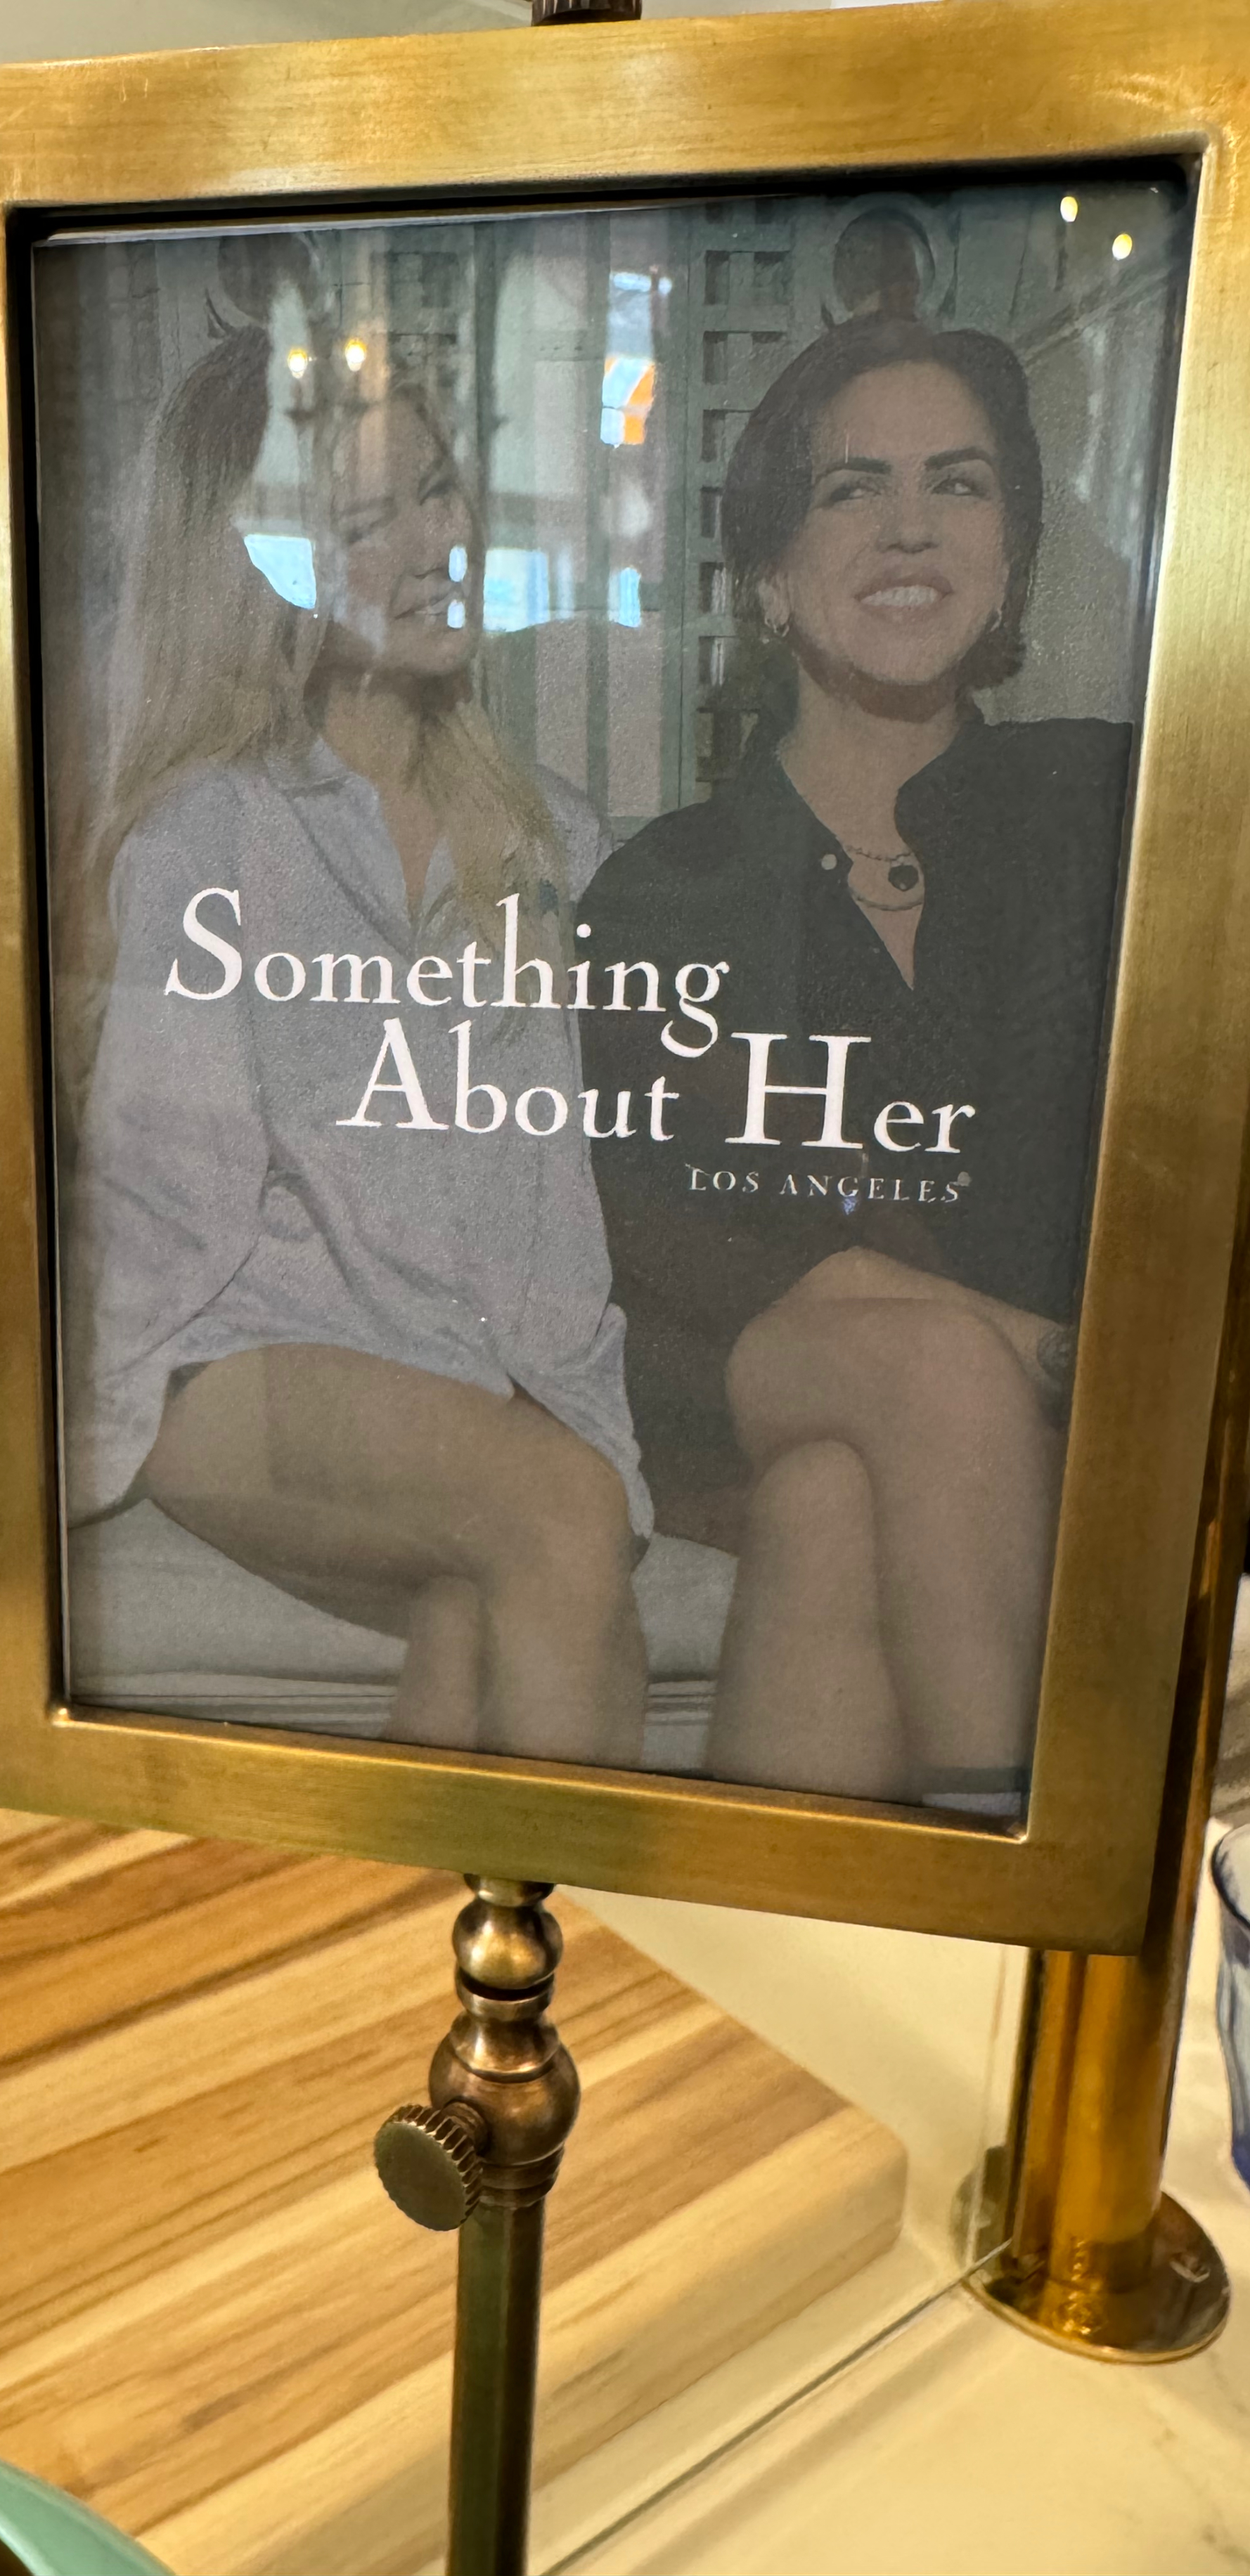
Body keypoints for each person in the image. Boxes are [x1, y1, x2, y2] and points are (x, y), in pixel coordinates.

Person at [63, 323, 650, 1764]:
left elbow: (547, 1177)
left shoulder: (548, 839)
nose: (436, 543)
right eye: (362, 520)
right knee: (557, 1512)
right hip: (229, 1356)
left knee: (485, 1594)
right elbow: (165, 1199)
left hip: (455, 1357)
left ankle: (455, 1907)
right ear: (254, 564)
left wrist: (565, 1394)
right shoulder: (207, 832)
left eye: (437, 492)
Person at [579, 314, 1131, 1811]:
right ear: (768, 575)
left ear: (1011, 552)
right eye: (850, 488)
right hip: (741, 1362)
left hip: (966, 1415)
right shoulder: (668, 887)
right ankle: (1042, 1881)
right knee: (930, 1376)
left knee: (831, 1502)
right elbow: (690, 1240)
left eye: (957, 483)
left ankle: (794, 1932)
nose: (908, 525)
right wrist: (1053, 1356)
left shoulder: (1107, 814)